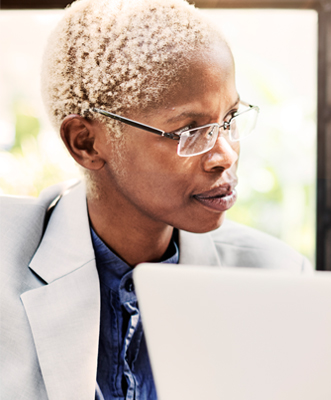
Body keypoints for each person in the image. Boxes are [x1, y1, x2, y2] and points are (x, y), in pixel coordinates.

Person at [0, 0, 312, 399]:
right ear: (86, 142)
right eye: (189, 131)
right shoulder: (6, 259)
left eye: (229, 119)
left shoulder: (279, 280)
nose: (225, 155)